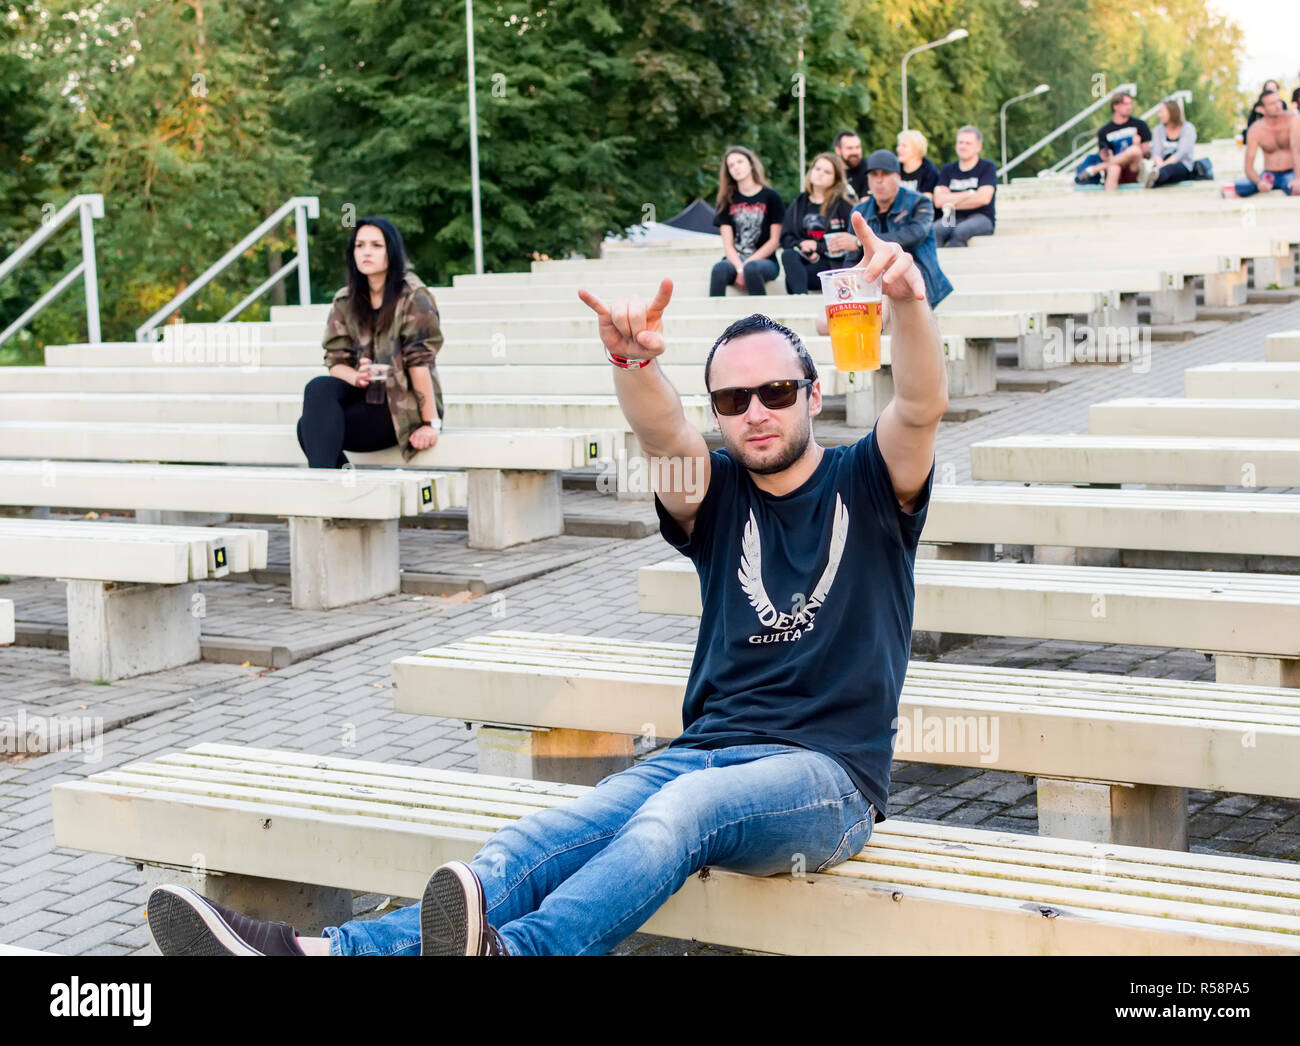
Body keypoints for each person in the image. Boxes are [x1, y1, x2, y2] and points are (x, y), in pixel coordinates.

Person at [144, 210, 946, 957]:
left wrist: (906, 302)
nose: (756, 413)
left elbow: (917, 406)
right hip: (706, 749)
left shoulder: (869, 485)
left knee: (679, 814)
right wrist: (631, 359)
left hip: (825, 779)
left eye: (776, 391)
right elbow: (661, 428)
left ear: (812, 392)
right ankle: (319, 952)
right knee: (543, 836)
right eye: (733, 400)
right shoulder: (718, 492)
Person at [296, 217, 443, 468]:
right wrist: (357, 377)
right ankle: (330, 488)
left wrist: (430, 424)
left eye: (376, 245)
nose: (366, 252)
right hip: (365, 399)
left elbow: (419, 363)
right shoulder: (345, 300)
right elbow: (335, 361)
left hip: (401, 407)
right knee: (317, 392)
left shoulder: (414, 297)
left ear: (392, 251)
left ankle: (325, 495)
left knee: (308, 428)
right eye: (359, 245)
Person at [851, 149, 951, 308]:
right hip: (874, 280)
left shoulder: (920, 203)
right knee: (823, 322)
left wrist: (857, 242)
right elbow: (851, 258)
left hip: (918, 276)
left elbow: (912, 236)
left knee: (886, 283)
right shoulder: (860, 211)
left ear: (898, 177)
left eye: (885, 174)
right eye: (874, 175)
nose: (879, 180)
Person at [779, 153, 860, 293]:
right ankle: (801, 297)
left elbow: (852, 238)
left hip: (831, 266)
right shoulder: (799, 202)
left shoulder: (843, 204)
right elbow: (785, 237)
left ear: (836, 179)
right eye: (817, 169)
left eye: (827, 172)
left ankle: (800, 297)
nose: (820, 174)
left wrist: (819, 246)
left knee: (796, 275)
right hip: (804, 263)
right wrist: (801, 245)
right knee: (788, 255)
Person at [709, 146, 785, 296]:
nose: (736, 167)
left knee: (752, 269)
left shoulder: (771, 197)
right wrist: (739, 267)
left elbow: (774, 241)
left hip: (765, 261)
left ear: (750, 164)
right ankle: (714, 317)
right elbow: (728, 244)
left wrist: (747, 266)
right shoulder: (726, 200)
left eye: (740, 162)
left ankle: (761, 319)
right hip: (735, 260)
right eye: (731, 165)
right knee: (719, 269)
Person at [933, 126, 998, 247]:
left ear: (978, 147)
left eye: (968, 143)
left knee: (960, 231)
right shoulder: (947, 169)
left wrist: (951, 200)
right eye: (960, 142)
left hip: (981, 216)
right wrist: (970, 193)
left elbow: (983, 199)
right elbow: (938, 201)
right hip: (951, 216)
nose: (963, 146)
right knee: (935, 231)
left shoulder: (987, 167)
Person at [1232, 90, 1300, 197]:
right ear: (1262, 109)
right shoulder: (1255, 129)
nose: (1278, 106)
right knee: (1230, 191)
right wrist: (1259, 182)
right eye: (1272, 104)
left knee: (1296, 189)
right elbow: (1248, 167)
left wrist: (1298, 179)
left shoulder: (1293, 119)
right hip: (1269, 175)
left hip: (1291, 172)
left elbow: (1297, 150)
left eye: (1278, 101)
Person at [1083, 90, 1152, 191]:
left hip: (1134, 167)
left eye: (1130, 104)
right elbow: (1105, 154)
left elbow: (1147, 151)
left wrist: (1137, 145)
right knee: (1114, 168)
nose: (1129, 107)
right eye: (1125, 104)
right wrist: (1106, 156)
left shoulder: (1140, 125)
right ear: (1115, 106)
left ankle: (1097, 168)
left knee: (1135, 150)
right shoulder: (1104, 131)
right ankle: (1110, 201)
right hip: (1115, 169)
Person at [1146, 96, 1198, 188]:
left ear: (1171, 112)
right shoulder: (1158, 130)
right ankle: (1154, 177)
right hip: (1161, 165)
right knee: (1163, 172)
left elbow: (1180, 154)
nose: (1159, 115)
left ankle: (1154, 177)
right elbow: (1157, 152)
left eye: (1162, 112)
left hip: (1182, 165)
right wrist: (1159, 165)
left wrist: (1161, 168)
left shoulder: (1188, 128)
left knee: (1170, 170)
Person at [896, 130, 940, 199]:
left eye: (904, 146)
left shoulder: (929, 171)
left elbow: (925, 201)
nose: (898, 149)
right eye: (898, 145)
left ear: (916, 149)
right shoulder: (895, 168)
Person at [834, 131, 868, 200]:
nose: (855, 152)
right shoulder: (831, 171)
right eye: (849, 148)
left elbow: (866, 204)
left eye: (857, 147)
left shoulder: (868, 169)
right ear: (838, 150)